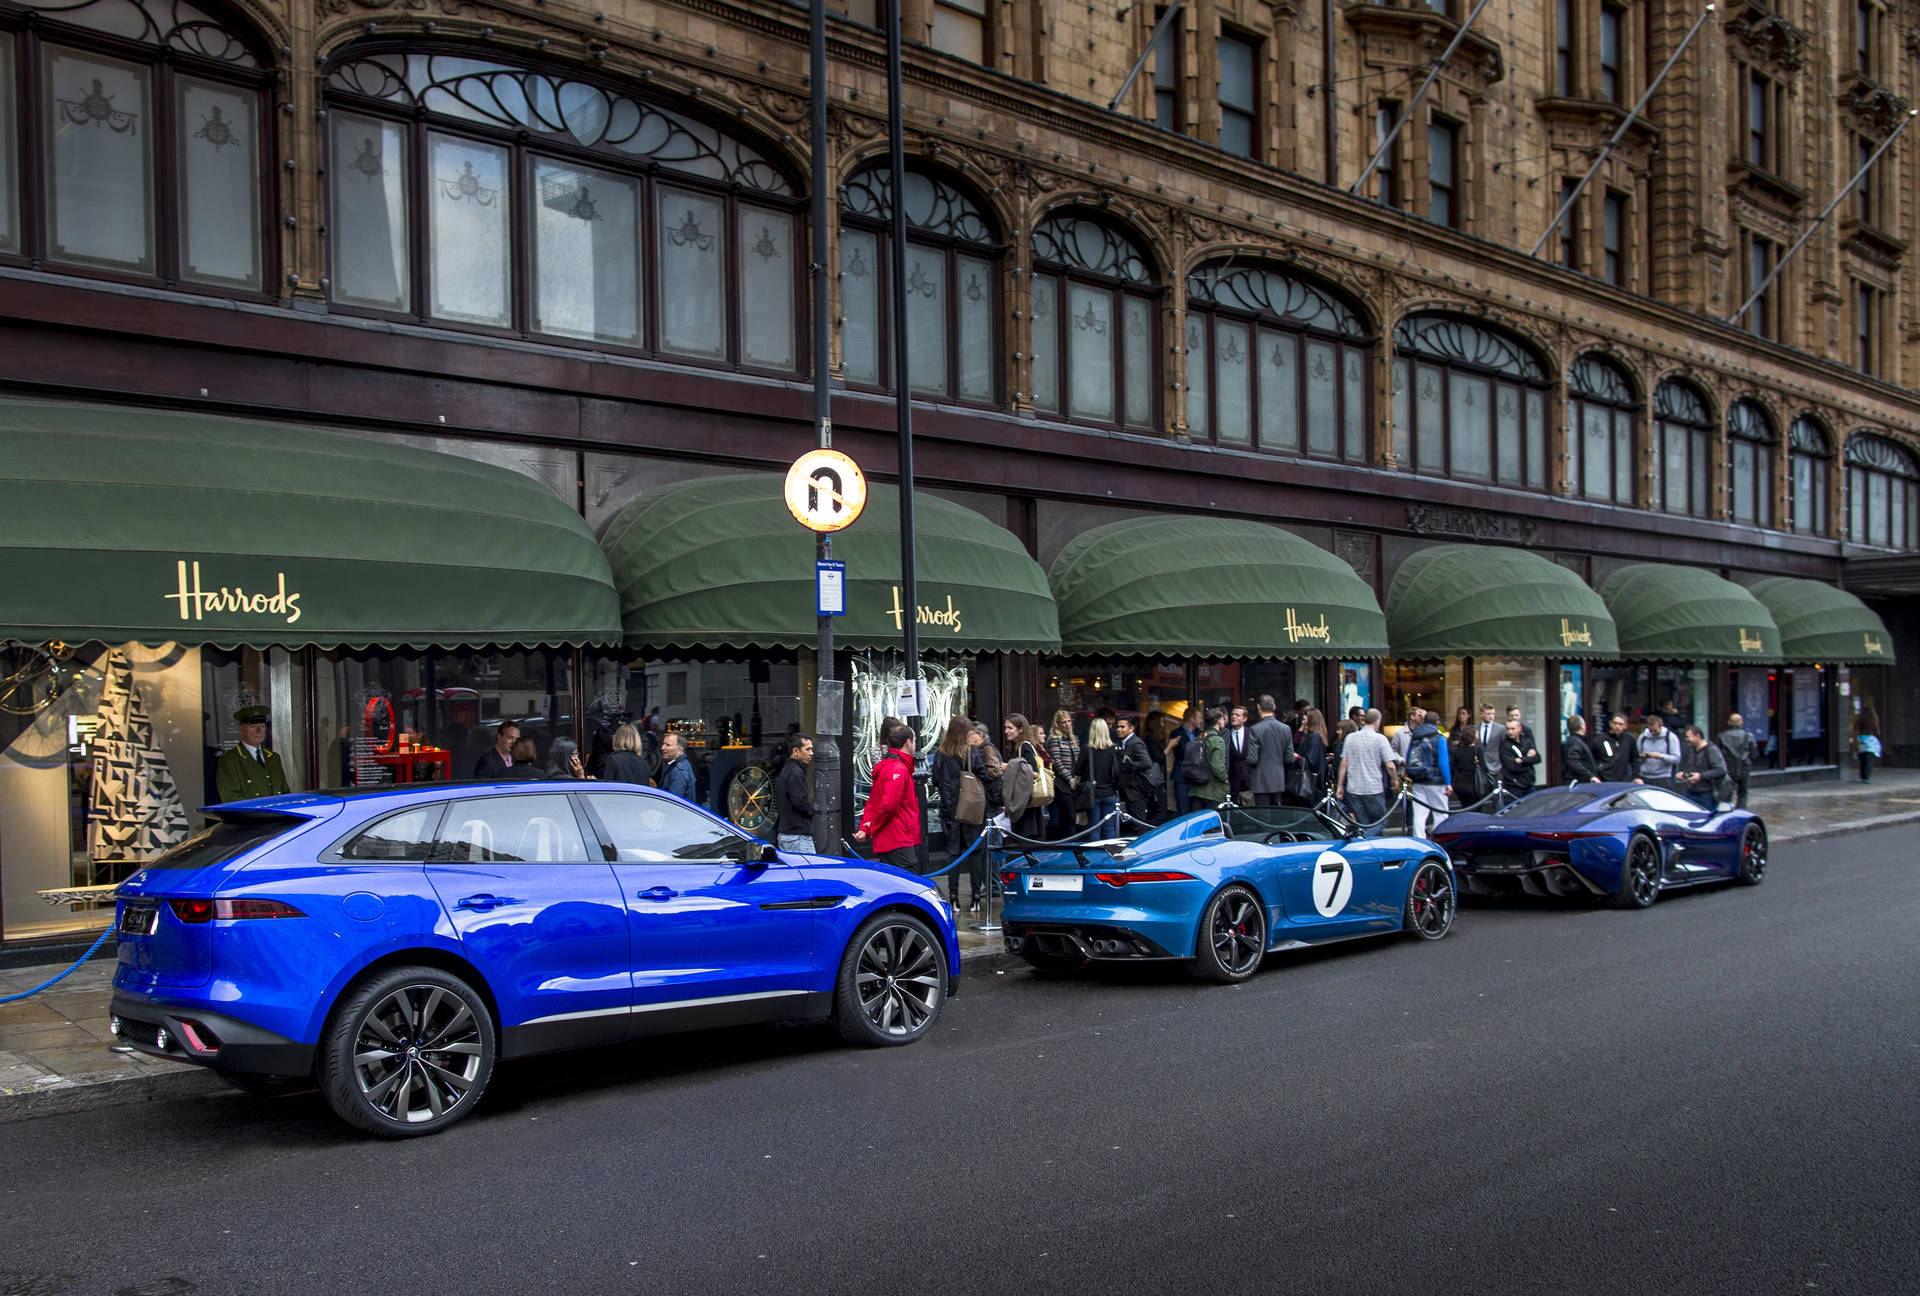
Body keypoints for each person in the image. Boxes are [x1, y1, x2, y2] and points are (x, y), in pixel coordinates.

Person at [852, 722, 922, 869]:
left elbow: (873, 801)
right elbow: (889, 804)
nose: (915, 743)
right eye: (914, 740)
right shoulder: (898, 768)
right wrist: (870, 828)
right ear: (908, 742)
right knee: (907, 881)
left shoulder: (889, 766)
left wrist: (866, 827)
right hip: (898, 837)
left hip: (893, 837)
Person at [932, 717, 981, 905]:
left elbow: (936, 779)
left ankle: (953, 897)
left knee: (953, 854)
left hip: (950, 809)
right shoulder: (971, 752)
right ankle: (976, 896)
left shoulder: (940, 754)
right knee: (974, 851)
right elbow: (982, 774)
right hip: (971, 809)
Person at [1337, 709, 1399, 834]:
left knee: (1362, 822)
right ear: (1377, 722)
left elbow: (1344, 763)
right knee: (1381, 821)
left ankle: (1364, 843)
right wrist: (1395, 779)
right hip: (1373, 788)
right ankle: (1364, 839)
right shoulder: (1380, 739)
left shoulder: (1350, 737)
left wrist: (1339, 785)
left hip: (1354, 788)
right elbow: (1390, 765)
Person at [215, 705, 291, 803]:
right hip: (250, 816)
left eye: (262, 726)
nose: (258, 731)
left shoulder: (273, 757)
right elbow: (231, 797)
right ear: (241, 729)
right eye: (253, 726)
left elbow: (285, 792)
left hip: (277, 816)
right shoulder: (230, 760)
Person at [1402, 708, 1451, 837]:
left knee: (1419, 814)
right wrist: (1448, 782)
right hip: (1436, 782)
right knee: (1440, 813)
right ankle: (1440, 839)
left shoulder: (1416, 736)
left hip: (1418, 779)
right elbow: (1443, 762)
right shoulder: (1439, 738)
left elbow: (1408, 758)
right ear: (1437, 722)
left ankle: (1420, 841)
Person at [1001, 714, 1045, 839]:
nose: (1006, 731)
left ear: (1020, 729)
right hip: (1021, 801)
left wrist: (1009, 767)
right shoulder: (1015, 747)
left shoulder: (1024, 746)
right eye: (1006, 728)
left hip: (1026, 803)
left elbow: (1035, 773)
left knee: (1026, 842)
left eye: (1010, 728)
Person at [1247, 695, 1295, 807]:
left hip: (1260, 780)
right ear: (1274, 707)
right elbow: (1289, 758)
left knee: (1262, 815)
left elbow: (1252, 759)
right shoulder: (1286, 729)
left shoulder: (1255, 729)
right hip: (1278, 778)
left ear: (1258, 707)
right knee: (1276, 815)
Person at [1076, 717, 1122, 834]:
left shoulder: (1087, 750)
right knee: (1110, 828)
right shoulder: (1114, 749)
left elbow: (1077, 770)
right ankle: (1110, 852)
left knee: (1094, 828)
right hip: (1110, 792)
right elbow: (1118, 772)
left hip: (1093, 793)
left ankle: (1094, 853)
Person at [774, 733, 816, 854]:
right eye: (807, 749)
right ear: (796, 751)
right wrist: (813, 810)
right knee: (808, 872)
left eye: (811, 749)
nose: (811, 753)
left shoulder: (789, 770)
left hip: (790, 835)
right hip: (797, 837)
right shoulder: (795, 773)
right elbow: (800, 801)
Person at [1114, 715, 1157, 826]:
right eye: (1118, 727)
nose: (1119, 729)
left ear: (1132, 728)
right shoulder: (1123, 742)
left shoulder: (1135, 742)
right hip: (1127, 789)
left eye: (1122, 727)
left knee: (1139, 820)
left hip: (1136, 789)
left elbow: (1146, 762)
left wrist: (1129, 765)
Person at [1185, 707, 1231, 811]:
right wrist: (1225, 778)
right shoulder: (1217, 740)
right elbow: (1217, 767)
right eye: (1223, 719)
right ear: (1219, 721)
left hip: (1196, 788)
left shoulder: (1199, 737)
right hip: (1212, 791)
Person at [1044, 710, 1081, 839]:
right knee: (1068, 814)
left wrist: (1077, 777)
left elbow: (1078, 758)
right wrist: (1069, 778)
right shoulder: (1054, 739)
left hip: (1074, 779)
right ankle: (1067, 841)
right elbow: (1056, 761)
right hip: (1061, 782)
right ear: (1057, 724)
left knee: (1071, 815)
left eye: (1069, 721)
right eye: (1063, 722)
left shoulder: (1074, 739)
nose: (1067, 724)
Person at [1678, 724, 1733, 810]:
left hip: (1707, 794)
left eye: (1688, 737)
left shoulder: (1711, 750)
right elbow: (1693, 768)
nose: (1686, 740)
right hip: (1691, 791)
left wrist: (1701, 776)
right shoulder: (1692, 750)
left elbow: (1721, 770)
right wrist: (1685, 774)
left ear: (1698, 736)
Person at [1715, 713, 1757, 808]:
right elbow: (1754, 753)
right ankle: (1741, 812)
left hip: (1728, 767)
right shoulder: (1748, 736)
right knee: (1743, 793)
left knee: (1727, 792)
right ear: (1741, 723)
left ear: (1729, 722)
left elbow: (1718, 754)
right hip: (1744, 766)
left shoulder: (1721, 736)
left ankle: (1726, 812)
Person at [1290, 707, 1330, 806]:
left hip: (1310, 785)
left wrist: (1297, 757)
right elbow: (1294, 743)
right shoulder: (1310, 736)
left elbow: (1310, 762)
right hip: (1311, 785)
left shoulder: (1314, 737)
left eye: (1304, 719)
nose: (1302, 721)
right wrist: (1301, 729)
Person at [1169, 707, 1204, 816]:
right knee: (1183, 808)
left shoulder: (1201, 733)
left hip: (1197, 777)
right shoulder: (1176, 733)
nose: (1201, 721)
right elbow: (1183, 751)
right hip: (1181, 777)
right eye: (1199, 718)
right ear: (1192, 719)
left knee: (1197, 810)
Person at [1448, 705, 1486, 805]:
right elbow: (1483, 767)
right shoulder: (1477, 750)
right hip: (1473, 784)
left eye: (1463, 713)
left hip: (1461, 785)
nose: (1461, 716)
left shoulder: (1459, 751)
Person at [1497, 717, 1541, 802]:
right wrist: (1529, 760)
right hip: (1514, 785)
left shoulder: (1526, 741)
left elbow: (1537, 758)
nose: (1510, 732)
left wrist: (1522, 760)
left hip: (1529, 783)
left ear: (1519, 728)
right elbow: (1512, 767)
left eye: (1512, 729)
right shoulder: (1505, 745)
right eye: (1508, 729)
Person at [1224, 704, 1259, 805]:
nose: (1233, 717)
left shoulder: (1251, 733)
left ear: (1245, 718)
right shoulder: (1226, 734)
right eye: (1232, 715)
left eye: (1237, 715)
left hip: (1249, 779)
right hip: (1233, 780)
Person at [1635, 713, 1681, 784]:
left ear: (1661, 725)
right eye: (1650, 730)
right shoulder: (1643, 737)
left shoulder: (1671, 738)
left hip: (1663, 777)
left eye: (1655, 730)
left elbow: (1677, 759)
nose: (1653, 733)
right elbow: (1636, 756)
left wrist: (1661, 756)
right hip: (1645, 776)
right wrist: (1642, 756)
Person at [1593, 713, 1637, 782]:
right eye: (1615, 723)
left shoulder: (1629, 739)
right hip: (1604, 780)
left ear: (1625, 726)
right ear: (1611, 724)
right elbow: (1591, 758)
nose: (1617, 726)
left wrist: (1636, 776)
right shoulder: (1600, 739)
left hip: (1623, 780)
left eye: (1620, 724)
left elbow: (1635, 759)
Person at [656, 731, 696, 801]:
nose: (662, 748)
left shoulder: (679, 771)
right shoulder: (678, 766)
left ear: (679, 750)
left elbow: (673, 802)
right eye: (663, 744)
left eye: (668, 745)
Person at [1474, 702, 1503, 796]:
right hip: (1481, 768)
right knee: (1481, 795)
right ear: (1481, 714)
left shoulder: (1500, 729)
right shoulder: (1475, 728)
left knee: (1496, 796)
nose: (1491, 716)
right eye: (1488, 714)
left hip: (1496, 767)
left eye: (1493, 714)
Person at [1562, 714, 1601, 784]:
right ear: (1582, 726)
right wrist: (1590, 776)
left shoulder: (1575, 741)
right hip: (1577, 782)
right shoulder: (1575, 742)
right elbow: (1573, 761)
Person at [1853, 701, 1882, 783]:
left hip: (1861, 740)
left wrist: (1856, 742)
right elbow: (1877, 732)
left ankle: (1863, 775)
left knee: (1863, 760)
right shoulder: (1874, 719)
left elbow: (1855, 731)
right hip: (1870, 742)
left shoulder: (1859, 720)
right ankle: (1866, 777)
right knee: (1870, 760)